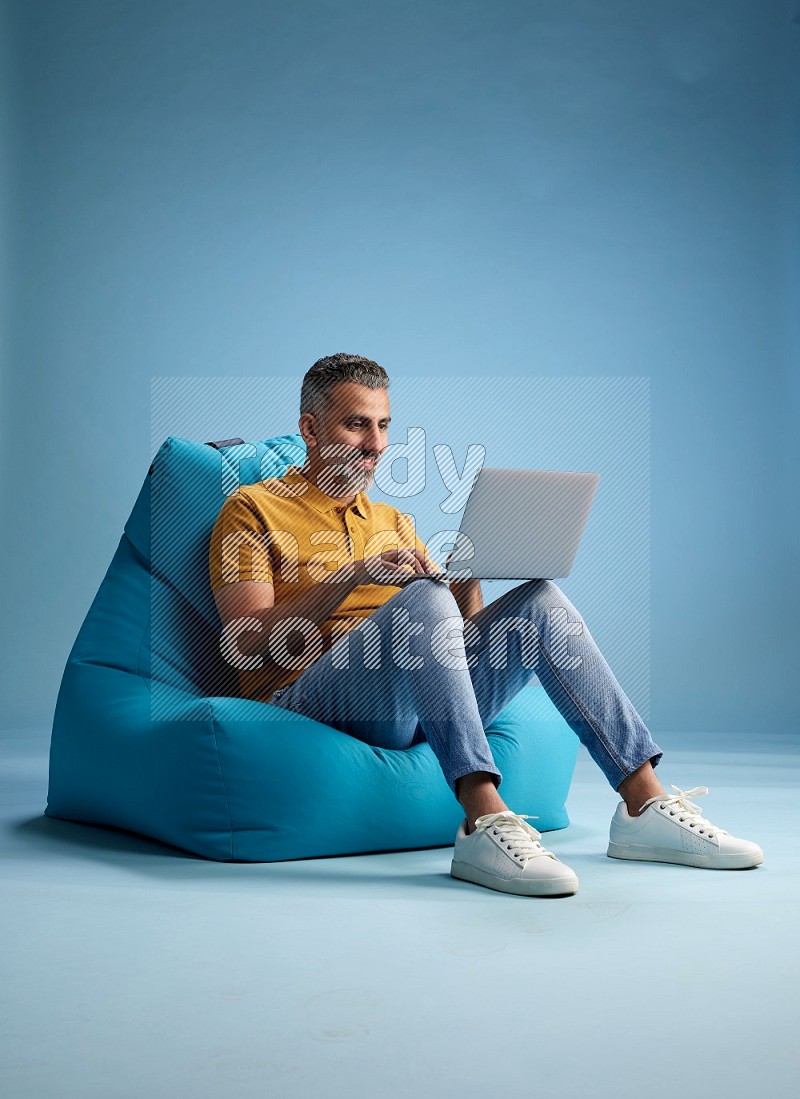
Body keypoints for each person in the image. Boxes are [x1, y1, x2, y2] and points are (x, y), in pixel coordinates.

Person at [208, 353, 764, 897]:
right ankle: (482, 822)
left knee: (539, 601)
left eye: (383, 426)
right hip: (307, 698)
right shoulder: (252, 507)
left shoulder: (393, 520)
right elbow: (245, 642)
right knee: (423, 599)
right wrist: (355, 575)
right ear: (309, 427)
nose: (376, 445)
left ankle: (644, 803)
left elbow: (455, 652)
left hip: (408, 697)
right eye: (356, 425)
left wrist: (468, 579)